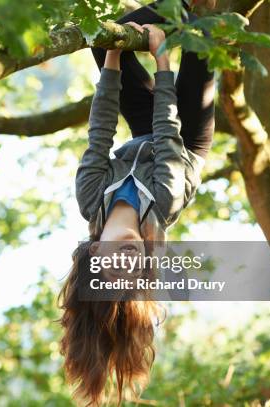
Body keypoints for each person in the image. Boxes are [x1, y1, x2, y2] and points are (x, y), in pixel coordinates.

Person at [59, 1, 215, 405]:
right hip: (183, 143)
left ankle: (177, 4)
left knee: (101, 35)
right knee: (199, 36)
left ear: (95, 253)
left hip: (143, 130)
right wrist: (162, 60)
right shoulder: (163, 205)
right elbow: (168, 137)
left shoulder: (90, 199)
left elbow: (101, 130)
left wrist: (114, 52)